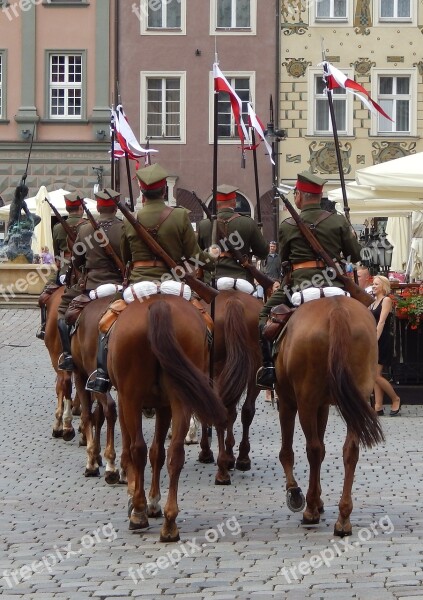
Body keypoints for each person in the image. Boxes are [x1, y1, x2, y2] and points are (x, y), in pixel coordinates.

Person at [87, 163, 215, 392]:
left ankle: (102, 374)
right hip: (174, 286)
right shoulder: (180, 216)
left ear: (141, 190)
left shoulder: (129, 220)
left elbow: (126, 258)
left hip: (138, 285)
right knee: (206, 324)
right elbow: (195, 256)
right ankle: (205, 371)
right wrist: (212, 258)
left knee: (105, 323)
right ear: (164, 190)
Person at [256, 170, 363, 389]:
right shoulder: (337, 221)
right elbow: (356, 255)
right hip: (335, 284)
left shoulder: (287, 225)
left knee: (264, 315)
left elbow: (284, 260)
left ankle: (269, 369)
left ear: (301, 195)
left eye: (296, 193)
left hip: (300, 285)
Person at [57, 189, 123, 374]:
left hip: (93, 284)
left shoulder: (85, 229)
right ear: (116, 207)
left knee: (63, 308)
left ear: (99, 206)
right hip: (121, 285)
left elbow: (77, 261)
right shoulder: (125, 228)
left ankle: (68, 355)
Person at [35, 195, 86, 340]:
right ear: (81, 208)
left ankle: (44, 326)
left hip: (64, 267)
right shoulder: (87, 226)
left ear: (68, 209)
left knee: (46, 292)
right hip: (83, 267)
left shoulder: (57, 227)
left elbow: (57, 253)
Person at [196, 184, 268, 283]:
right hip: (242, 277)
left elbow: (198, 254)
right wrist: (247, 255)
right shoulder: (248, 223)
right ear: (234, 203)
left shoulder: (204, 225)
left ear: (216, 204)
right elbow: (263, 252)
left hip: (212, 278)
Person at [369, 275, 401, 416]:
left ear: (383, 286)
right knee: (375, 374)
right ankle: (378, 406)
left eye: (376, 284)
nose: (373, 286)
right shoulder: (373, 303)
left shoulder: (386, 300)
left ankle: (395, 399)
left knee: (375, 375)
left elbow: (381, 322)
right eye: (373, 284)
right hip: (374, 338)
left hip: (382, 339)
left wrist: (375, 339)